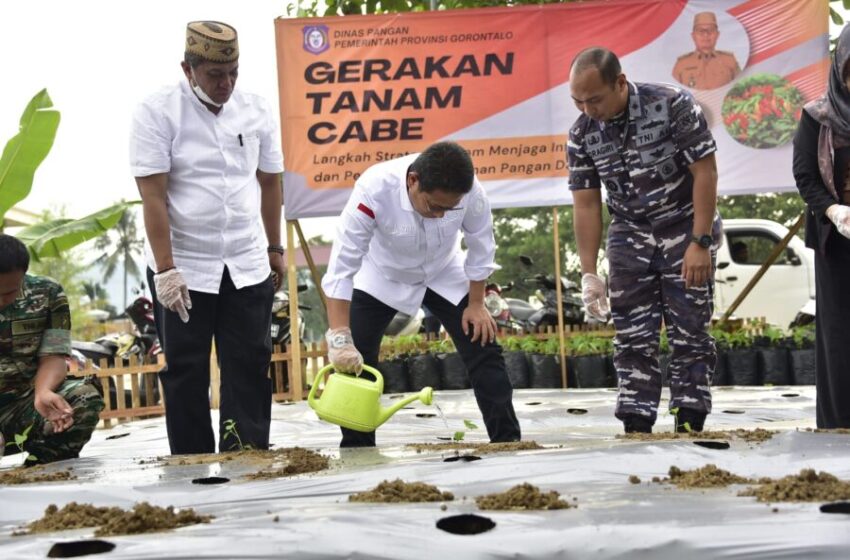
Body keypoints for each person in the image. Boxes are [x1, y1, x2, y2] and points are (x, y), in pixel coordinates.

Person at [130, 21, 284, 454]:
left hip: (245, 259)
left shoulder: (255, 108)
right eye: (216, 75)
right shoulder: (157, 111)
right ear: (189, 69)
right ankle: (191, 464)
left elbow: (270, 182)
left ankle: (246, 455)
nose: (227, 84)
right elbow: (153, 196)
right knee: (185, 369)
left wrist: (274, 247)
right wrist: (166, 270)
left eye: (233, 72)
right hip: (184, 265)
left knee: (250, 364)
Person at [321, 141, 521, 447]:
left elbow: (481, 246)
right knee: (357, 361)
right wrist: (339, 336)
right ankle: (358, 451)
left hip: (444, 270)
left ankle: (508, 442)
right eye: (434, 206)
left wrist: (477, 303)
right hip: (381, 274)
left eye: (449, 208)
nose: (441, 215)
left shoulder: (471, 192)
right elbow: (342, 268)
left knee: (483, 344)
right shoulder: (374, 189)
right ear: (413, 181)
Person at [569, 47, 721, 434]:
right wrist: (590, 273)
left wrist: (700, 242)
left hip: (685, 227)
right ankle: (636, 418)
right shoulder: (582, 133)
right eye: (578, 101)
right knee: (632, 333)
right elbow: (586, 204)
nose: (588, 110)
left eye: (595, 99)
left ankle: (690, 417)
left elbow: (705, 173)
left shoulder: (671, 105)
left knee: (690, 328)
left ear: (620, 83)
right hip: (629, 235)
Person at [0, 234, 103, 463]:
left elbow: (53, 356)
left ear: (23, 275)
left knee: (84, 398)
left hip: (23, 405)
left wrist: (43, 393)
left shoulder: (48, 294)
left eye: (8, 293)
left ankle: (42, 466)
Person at [792, 24, 850, 429]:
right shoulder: (818, 117)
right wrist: (833, 211)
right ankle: (840, 422)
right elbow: (806, 176)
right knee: (840, 333)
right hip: (838, 243)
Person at [672, 11, 741, 90]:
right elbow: (674, 93)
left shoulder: (729, 60)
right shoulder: (682, 64)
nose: (706, 35)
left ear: (717, 35)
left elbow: (740, 89)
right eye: (701, 31)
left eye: (710, 30)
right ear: (693, 36)